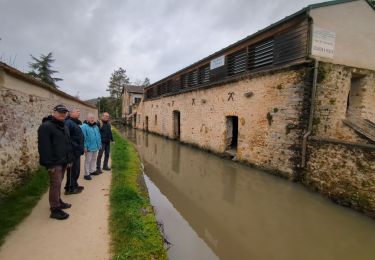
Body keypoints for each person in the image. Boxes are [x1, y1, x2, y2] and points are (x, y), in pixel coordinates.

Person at [38, 104, 73, 220]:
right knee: (55, 184)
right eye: (60, 112)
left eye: (64, 112)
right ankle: (55, 209)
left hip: (63, 160)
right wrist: (49, 164)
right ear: (54, 112)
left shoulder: (64, 126)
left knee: (59, 183)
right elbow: (44, 147)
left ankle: (58, 201)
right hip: (54, 162)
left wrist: (69, 159)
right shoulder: (46, 127)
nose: (63, 114)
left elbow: (67, 144)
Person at [64, 108, 85, 195]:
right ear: (71, 113)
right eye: (77, 112)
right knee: (73, 170)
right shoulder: (68, 123)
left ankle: (74, 185)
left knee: (76, 170)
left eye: (79, 112)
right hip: (73, 151)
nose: (79, 113)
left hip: (76, 151)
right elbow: (67, 138)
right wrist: (77, 146)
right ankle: (70, 189)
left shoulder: (74, 122)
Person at [81, 113, 101, 180]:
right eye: (90, 118)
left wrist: (99, 144)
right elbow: (83, 137)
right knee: (88, 160)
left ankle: (92, 170)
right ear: (87, 119)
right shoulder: (84, 126)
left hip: (95, 146)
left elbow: (98, 136)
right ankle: (86, 174)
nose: (92, 119)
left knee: (94, 159)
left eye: (93, 118)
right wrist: (84, 146)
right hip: (88, 147)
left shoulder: (96, 126)